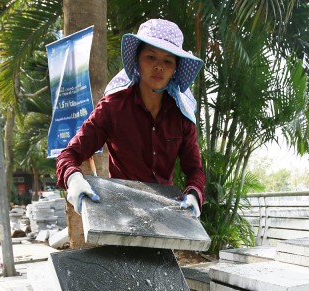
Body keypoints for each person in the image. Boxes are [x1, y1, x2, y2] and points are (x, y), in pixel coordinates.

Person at [55, 18, 205, 217]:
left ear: (175, 68)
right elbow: (69, 155)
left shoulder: (182, 116)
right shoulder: (113, 108)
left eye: (167, 61)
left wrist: (194, 194)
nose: (159, 66)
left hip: (166, 217)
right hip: (120, 214)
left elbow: (195, 170)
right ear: (137, 60)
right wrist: (73, 179)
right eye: (151, 57)